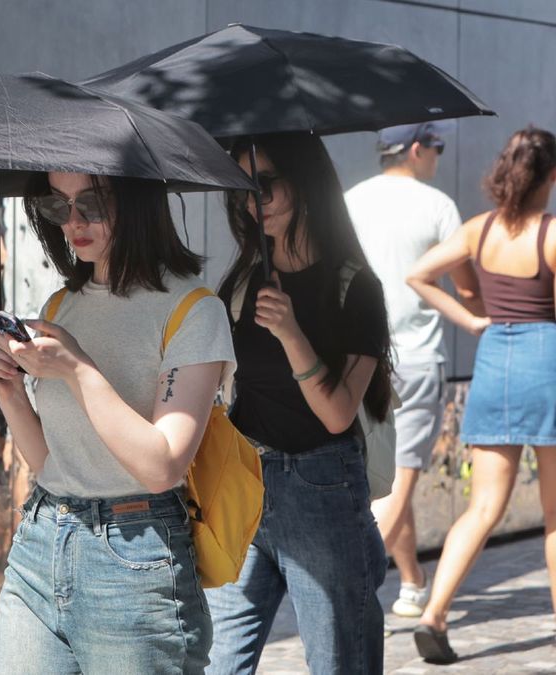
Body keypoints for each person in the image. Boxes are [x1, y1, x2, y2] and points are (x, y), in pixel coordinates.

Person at [0, 171, 234, 673]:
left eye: (91, 203)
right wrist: (7, 391)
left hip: (135, 557)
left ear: (137, 203)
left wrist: (77, 370)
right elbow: (51, 462)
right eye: (58, 205)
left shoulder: (193, 310)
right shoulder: (60, 305)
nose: (73, 222)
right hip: (40, 540)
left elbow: (163, 465)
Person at [207, 132, 394, 675]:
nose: (250, 201)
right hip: (244, 483)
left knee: (340, 662)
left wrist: (291, 333)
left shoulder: (355, 288)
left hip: (322, 490)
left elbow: (336, 414)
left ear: (304, 182)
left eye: (263, 185)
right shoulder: (242, 281)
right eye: (241, 188)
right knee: (218, 663)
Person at [407, 127, 556, 664]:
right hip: (547, 361)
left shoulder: (479, 229)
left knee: (483, 505)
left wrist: (470, 318)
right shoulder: (552, 234)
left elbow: (419, 275)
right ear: (552, 176)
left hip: (495, 362)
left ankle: (434, 614)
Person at [345, 121, 483, 618]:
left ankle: (412, 579)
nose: (439, 157)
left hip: (356, 356)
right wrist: (480, 316)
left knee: (379, 478)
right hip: (417, 358)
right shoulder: (437, 205)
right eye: (438, 147)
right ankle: (355, 593)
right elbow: (465, 286)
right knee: (399, 482)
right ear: (418, 149)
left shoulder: (350, 200)